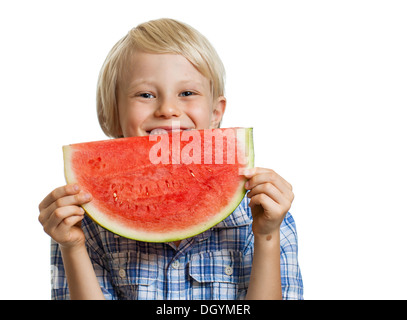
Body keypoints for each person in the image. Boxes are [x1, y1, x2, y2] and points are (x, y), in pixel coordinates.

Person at [38, 18, 303, 300]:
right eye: (145, 94)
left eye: (187, 93)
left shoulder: (263, 211)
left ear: (216, 113)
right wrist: (72, 247)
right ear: (113, 113)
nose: (167, 109)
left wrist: (266, 235)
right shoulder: (83, 218)